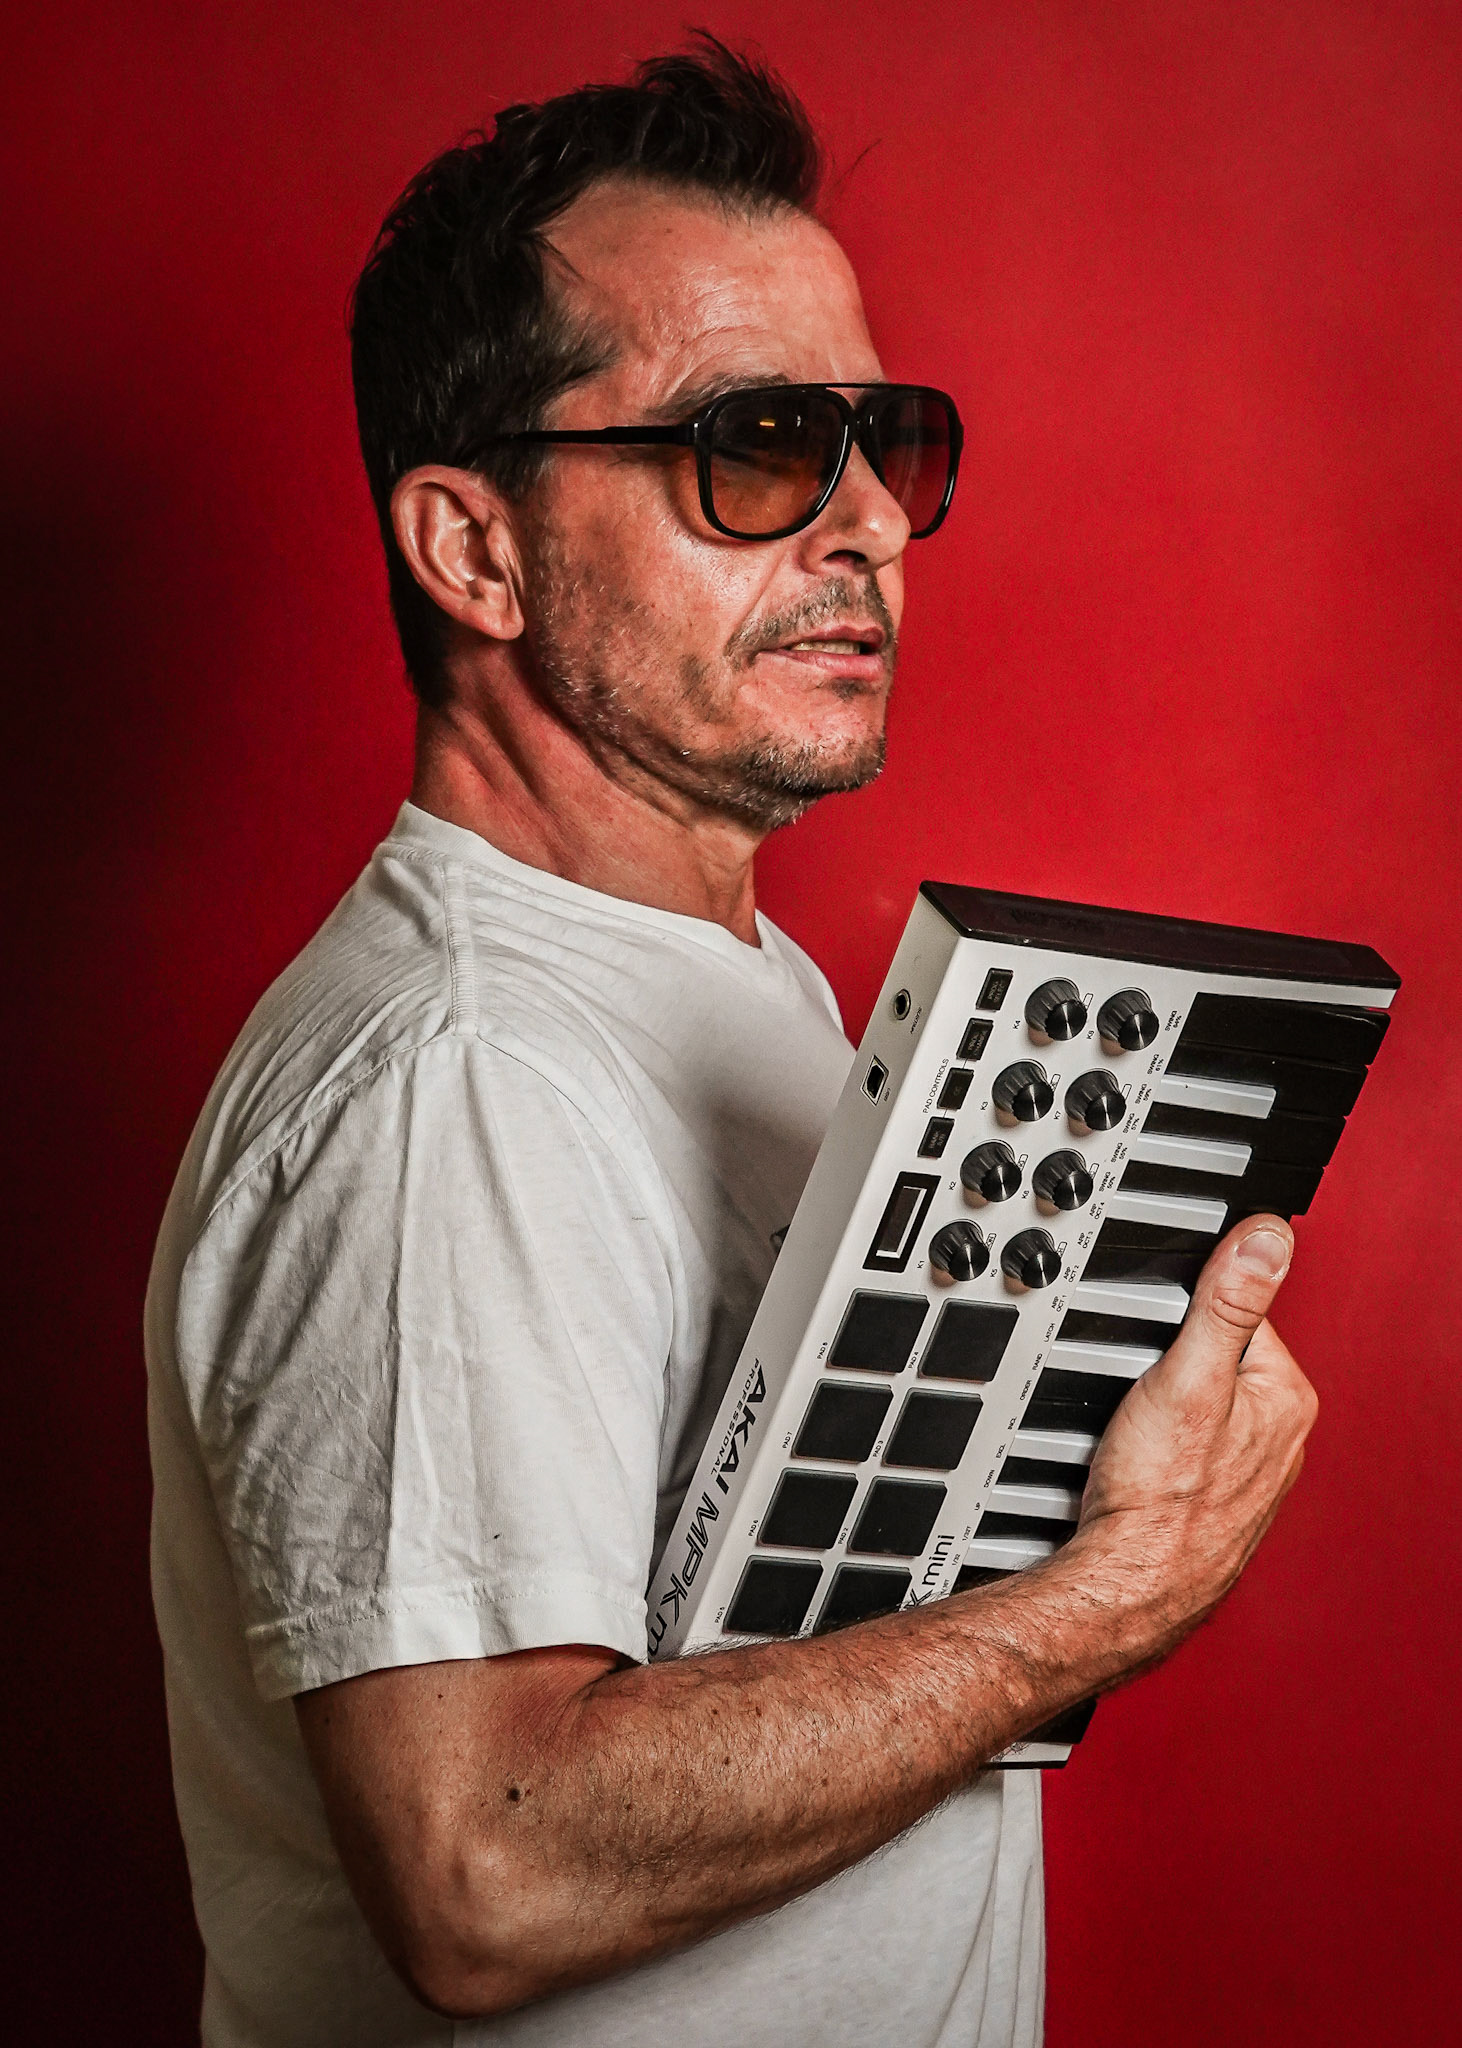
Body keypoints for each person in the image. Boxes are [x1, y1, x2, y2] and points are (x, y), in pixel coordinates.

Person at [146, 38, 1316, 2048]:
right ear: (474, 550)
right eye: (755, 445)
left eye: (884, 441)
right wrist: (1109, 1595)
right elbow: (488, 1870)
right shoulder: (460, 1080)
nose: (866, 521)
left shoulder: (727, 979)